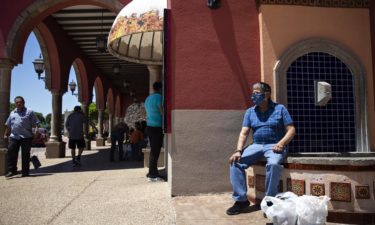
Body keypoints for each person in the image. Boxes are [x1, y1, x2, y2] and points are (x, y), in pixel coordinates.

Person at [226, 82, 296, 215]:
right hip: (257, 144)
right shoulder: (250, 112)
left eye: (257, 93)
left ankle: (270, 201)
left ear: (267, 94)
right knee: (235, 162)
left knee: (274, 164)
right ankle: (241, 201)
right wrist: (238, 150)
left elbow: (291, 129)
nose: (253, 95)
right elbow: (244, 132)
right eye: (253, 93)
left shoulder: (280, 109)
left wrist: (282, 143)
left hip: (274, 145)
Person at [3, 96, 40, 177]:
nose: (18, 103)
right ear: (15, 103)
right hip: (14, 137)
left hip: (26, 137)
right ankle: (12, 171)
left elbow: (36, 123)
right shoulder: (12, 113)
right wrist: (6, 134)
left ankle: (25, 172)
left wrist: (36, 130)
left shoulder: (30, 112)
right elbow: (8, 125)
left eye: (20, 102)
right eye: (17, 102)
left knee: (25, 155)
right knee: (11, 152)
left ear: (23, 103)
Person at [144, 82, 164, 181]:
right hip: (157, 127)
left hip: (149, 126)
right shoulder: (159, 97)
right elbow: (161, 111)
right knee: (155, 151)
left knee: (153, 150)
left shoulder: (148, 99)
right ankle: (153, 175)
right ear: (160, 88)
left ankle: (151, 172)